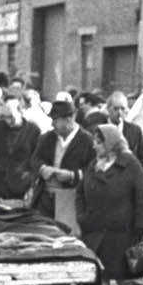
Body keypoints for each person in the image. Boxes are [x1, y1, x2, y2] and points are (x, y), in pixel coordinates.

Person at [76, 123, 143, 285]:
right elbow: (80, 193)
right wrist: (82, 217)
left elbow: (142, 196)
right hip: (95, 228)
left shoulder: (130, 164)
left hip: (122, 230)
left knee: (122, 272)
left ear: (110, 143)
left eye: (99, 142)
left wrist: (142, 227)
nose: (94, 146)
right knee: (102, 272)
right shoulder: (94, 164)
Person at [32, 98, 96, 231]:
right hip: (44, 199)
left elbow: (93, 171)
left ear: (69, 119)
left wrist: (73, 176)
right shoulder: (47, 138)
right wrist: (43, 168)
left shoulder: (88, 141)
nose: (53, 124)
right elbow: (35, 159)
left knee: (66, 238)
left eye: (56, 120)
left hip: (70, 199)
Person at [0, 93, 40, 199]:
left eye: (11, 117)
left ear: (21, 112)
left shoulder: (33, 130)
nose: (8, 121)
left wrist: (29, 176)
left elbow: (36, 158)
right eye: (5, 117)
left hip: (21, 185)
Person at [106, 90, 143, 157]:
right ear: (108, 109)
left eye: (123, 109)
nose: (120, 112)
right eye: (116, 109)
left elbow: (142, 159)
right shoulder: (98, 128)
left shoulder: (135, 131)